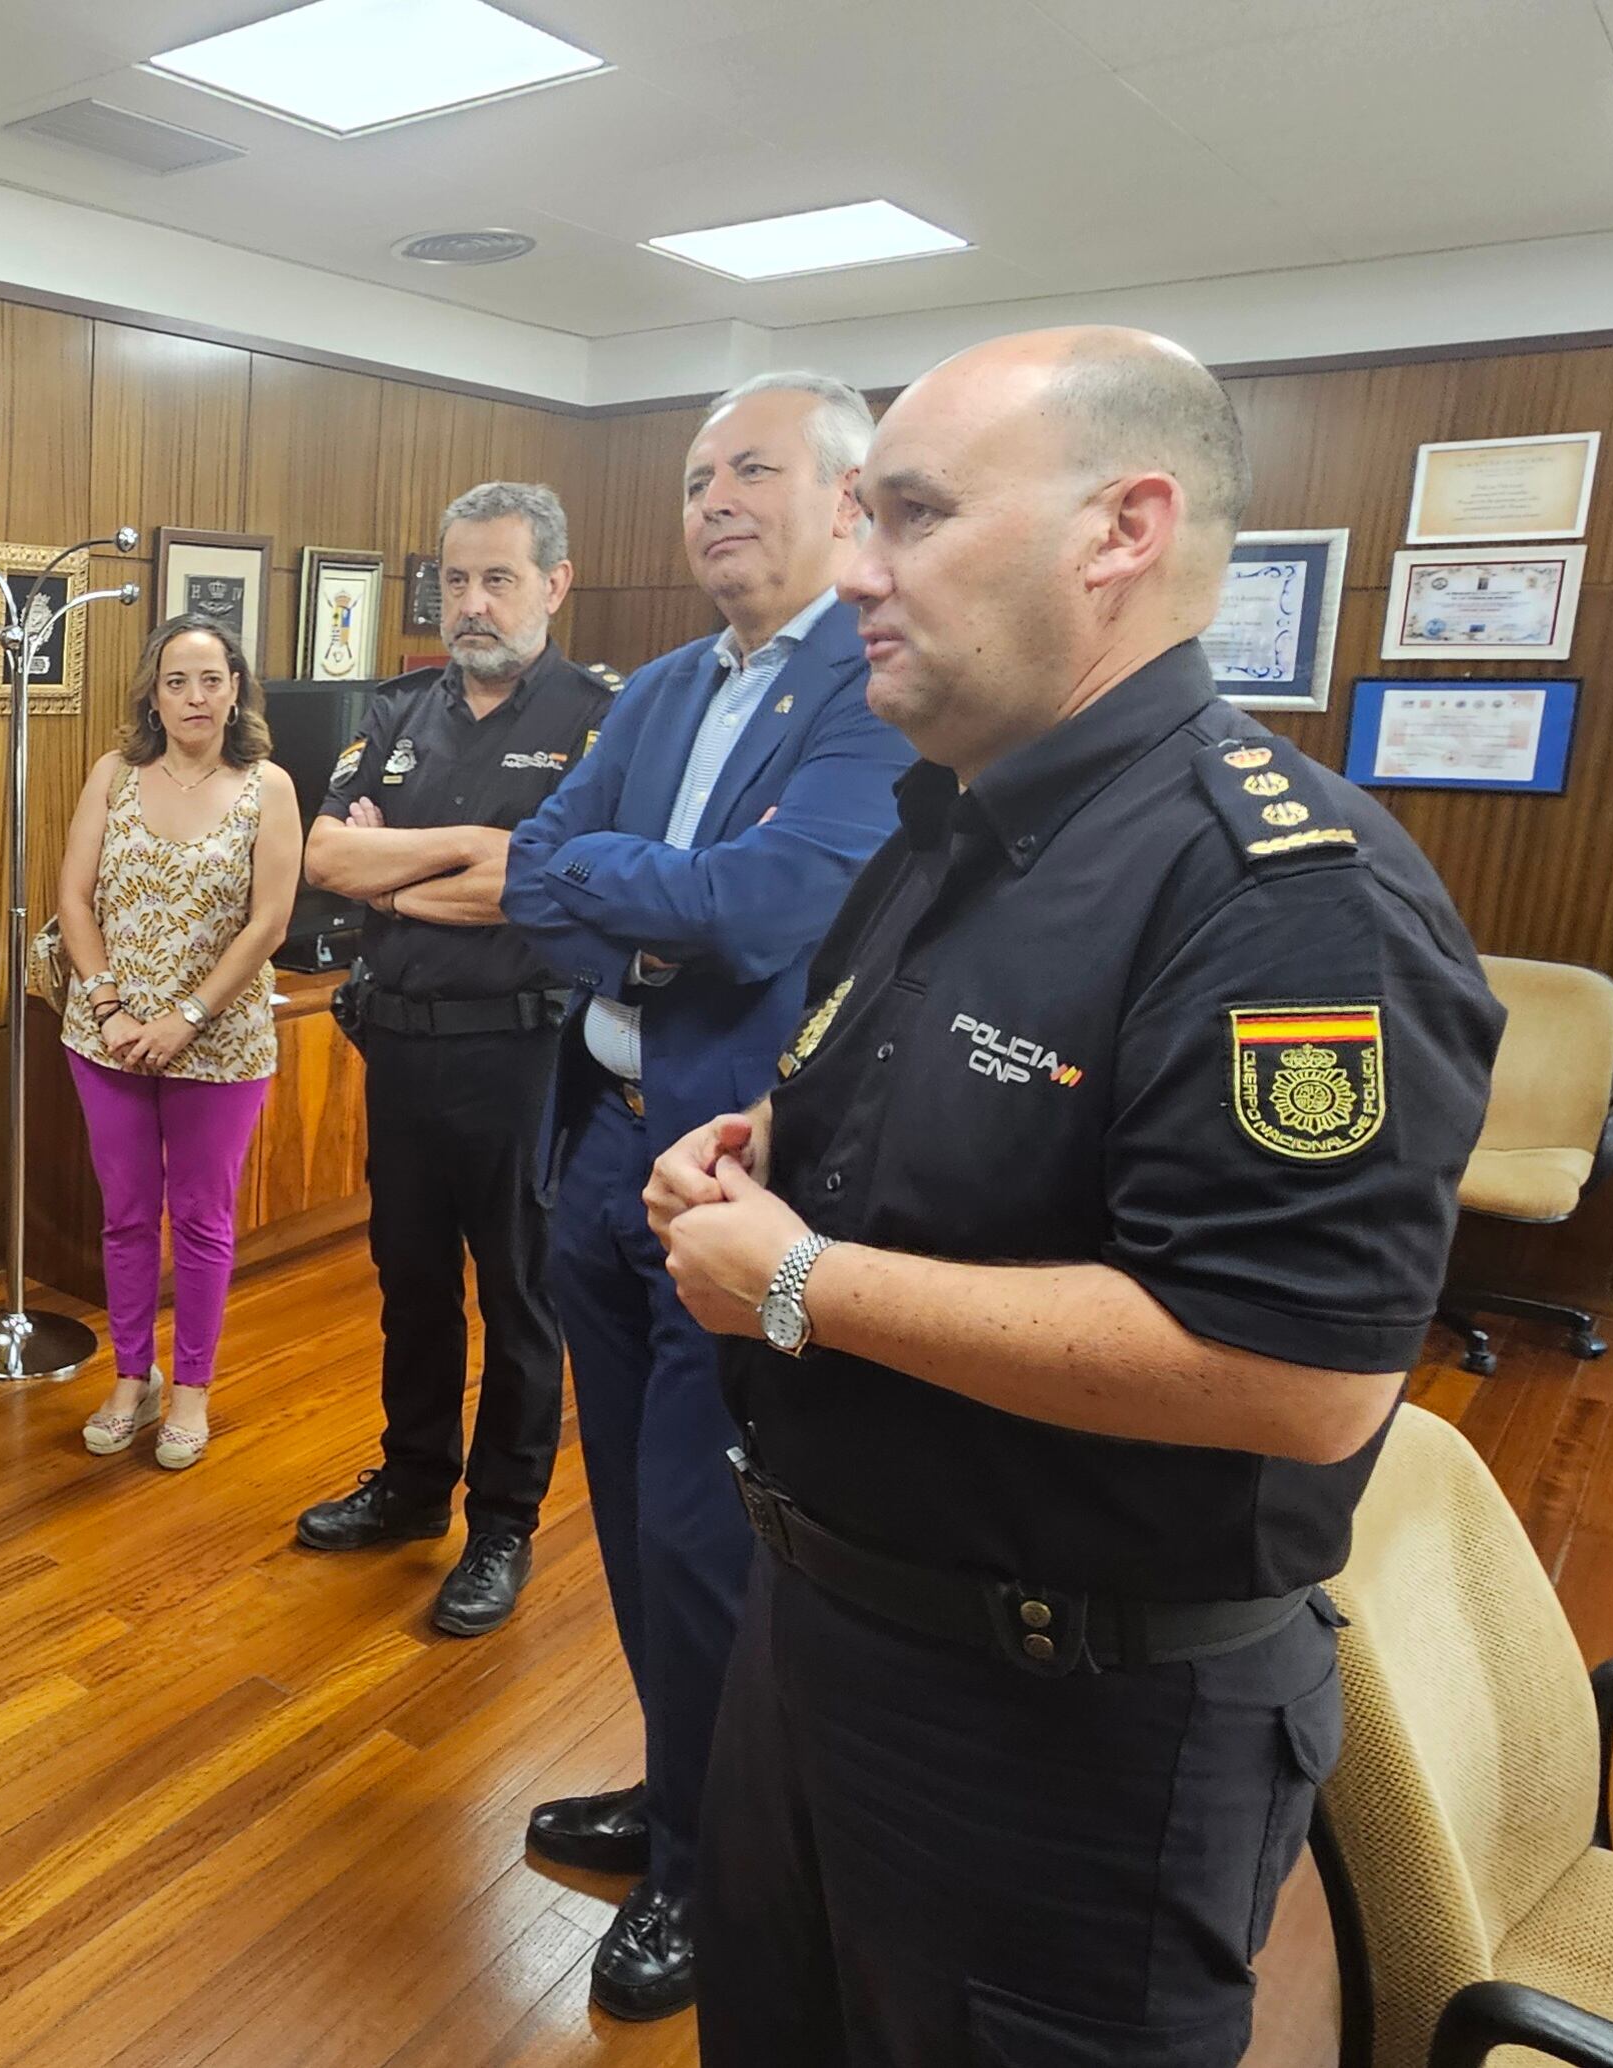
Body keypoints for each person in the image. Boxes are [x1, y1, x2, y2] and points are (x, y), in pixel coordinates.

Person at [646, 327, 1502, 2068]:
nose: (853, 568)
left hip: (1058, 1718)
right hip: (818, 1627)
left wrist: (799, 1277)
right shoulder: (948, 822)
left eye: (908, 515)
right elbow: (948, 1121)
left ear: (1120, 530)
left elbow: (1294, 1367)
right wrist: (759, 1148)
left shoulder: (1276, 894)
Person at [499, 370, 915, 2020]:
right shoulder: (662, 682)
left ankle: (711, 1862)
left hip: (733, 1168)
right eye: (690, 476)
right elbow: (535, 869)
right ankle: (677, 1788)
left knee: (698, 1531)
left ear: (843, 499)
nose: (711, 498)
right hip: (596, 1136)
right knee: (624, 1517)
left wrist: (639, 908)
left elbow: (760, 908)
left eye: (751, 468)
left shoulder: (866, 684)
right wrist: (645, 906)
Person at [294, 481, 610, 1638]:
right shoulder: (393, 711)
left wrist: (418, 868)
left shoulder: (597, 721)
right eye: (455, 580)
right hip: (405, 1056)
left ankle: (503, 1526)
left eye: (498, 579)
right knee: (412, 1288)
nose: (470, 604)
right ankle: (413, 1486)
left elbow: (548, 890)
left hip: (526, 1059)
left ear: (553, 585)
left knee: (521, 1303)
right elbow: (328, 857)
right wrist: (478, 858)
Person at [52, 617, 304, 1468]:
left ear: (236, 688)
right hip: (108, 1039)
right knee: (124, 1218)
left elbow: (270, 922)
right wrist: (111, 1007)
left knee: (200, 1220)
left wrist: (186, 1016)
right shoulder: (113, 775)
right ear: (151, 696)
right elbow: (74, 899)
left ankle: (191, 1387)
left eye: (210, 679)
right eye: (176, 681)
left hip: (220, 1044)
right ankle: (132, 1376)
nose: (194, 697)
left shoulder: (269, 786)